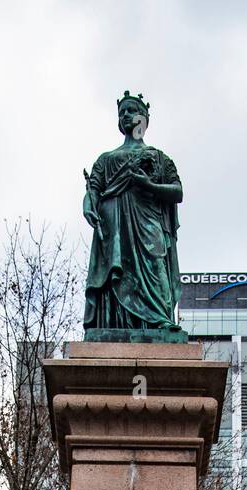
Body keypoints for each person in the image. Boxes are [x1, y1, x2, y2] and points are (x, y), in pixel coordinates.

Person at [83, 92, 183, 336]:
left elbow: (177, 191)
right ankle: (115, 325)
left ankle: (160, 319)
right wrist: (88, 203)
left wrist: (149, 186)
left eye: (131, 110)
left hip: (148, 222)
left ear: (144, 119)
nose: (126, 115)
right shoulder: (105, 160)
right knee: (117, 273)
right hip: (113, 223)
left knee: (156, 264)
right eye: (122, 112)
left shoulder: (160, 158)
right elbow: (94, 189)